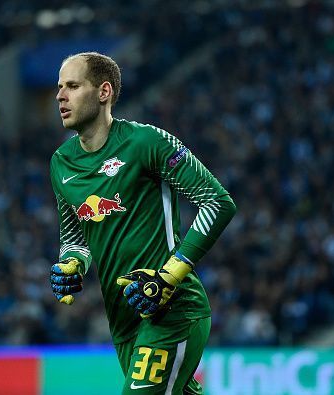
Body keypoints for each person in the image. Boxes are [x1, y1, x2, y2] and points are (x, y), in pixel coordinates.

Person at [49, 52, 236, 394]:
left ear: (103, 92)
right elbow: (75, 234)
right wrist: (71, 263)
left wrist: (169, 276)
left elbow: (216, 202)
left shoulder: (146, 143)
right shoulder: (61, 163)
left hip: (171, 310)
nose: (60, 95)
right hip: (124, 322)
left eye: (73, 86)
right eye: (59, 87)